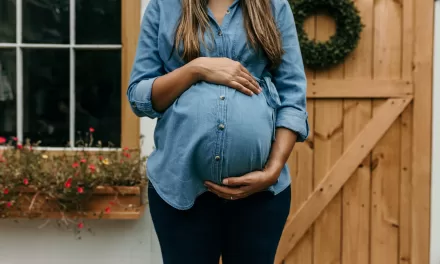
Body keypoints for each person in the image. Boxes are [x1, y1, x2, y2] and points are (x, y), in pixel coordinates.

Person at [127, 0, 309, 263]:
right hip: (180, 188)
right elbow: (139, 96)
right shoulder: (164, 6)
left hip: (260, 194)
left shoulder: (274, 5)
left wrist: (273, 170)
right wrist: (196, 69)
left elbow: (292, 96)